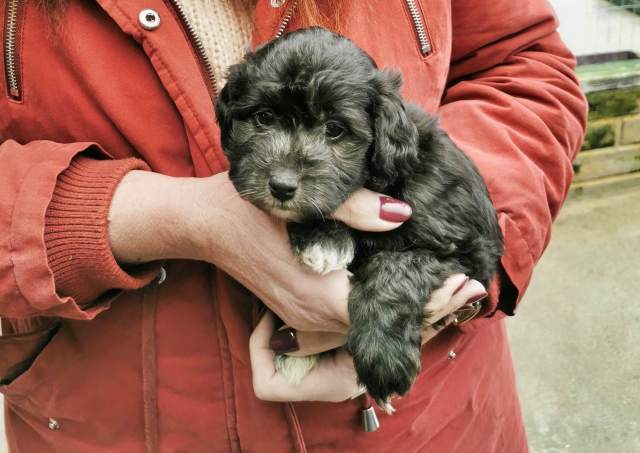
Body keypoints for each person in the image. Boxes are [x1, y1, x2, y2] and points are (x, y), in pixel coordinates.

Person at [0, 0, 587, 451]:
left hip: (427, 419)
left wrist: (447, 251)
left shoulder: (399, 140)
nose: (286, 169)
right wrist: (161, 218)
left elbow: (522, 63)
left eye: (334, 132)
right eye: (262, 120)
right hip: (113, 421)